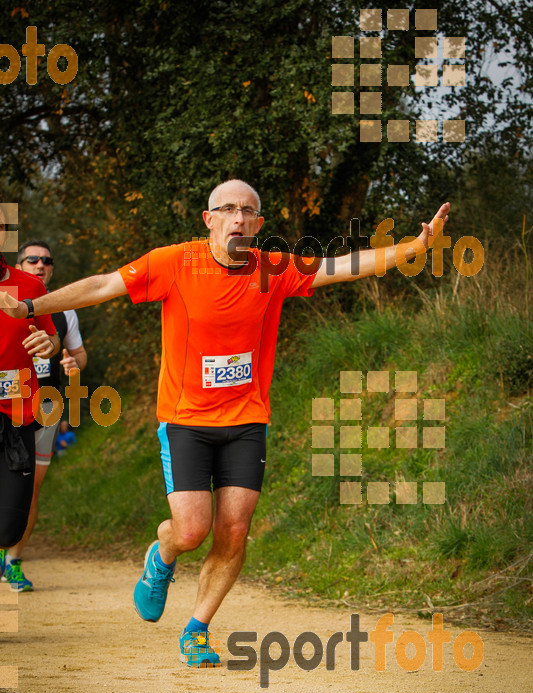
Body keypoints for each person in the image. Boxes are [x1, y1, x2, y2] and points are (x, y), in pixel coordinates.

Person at [0, 180, 449, 666]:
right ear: (208, 219)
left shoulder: (272, 269)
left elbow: (342, 267)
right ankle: (162, 556)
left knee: (234, 530)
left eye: (248, 211)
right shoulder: (175, 262)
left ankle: (197, 629)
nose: (239, 217)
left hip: (247, 420)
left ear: (257, 224)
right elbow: (103, 285)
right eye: (228, 209)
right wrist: (30, 306)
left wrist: (414, 247)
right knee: (191, 531)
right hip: (185, 420)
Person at [0, 241, 87, 592]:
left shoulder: (56, 305)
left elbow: (69, 351)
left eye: (46, 260)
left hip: (37, 406)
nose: (40, 265)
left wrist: (58, 353)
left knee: (27, 493)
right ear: (22, 260)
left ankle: (13, 558)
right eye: (33, 259)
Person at [0, 251, 59, 559]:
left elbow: (52, 338)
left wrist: (50, 345)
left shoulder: (30, 287)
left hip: (16, 414)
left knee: (9, 529)